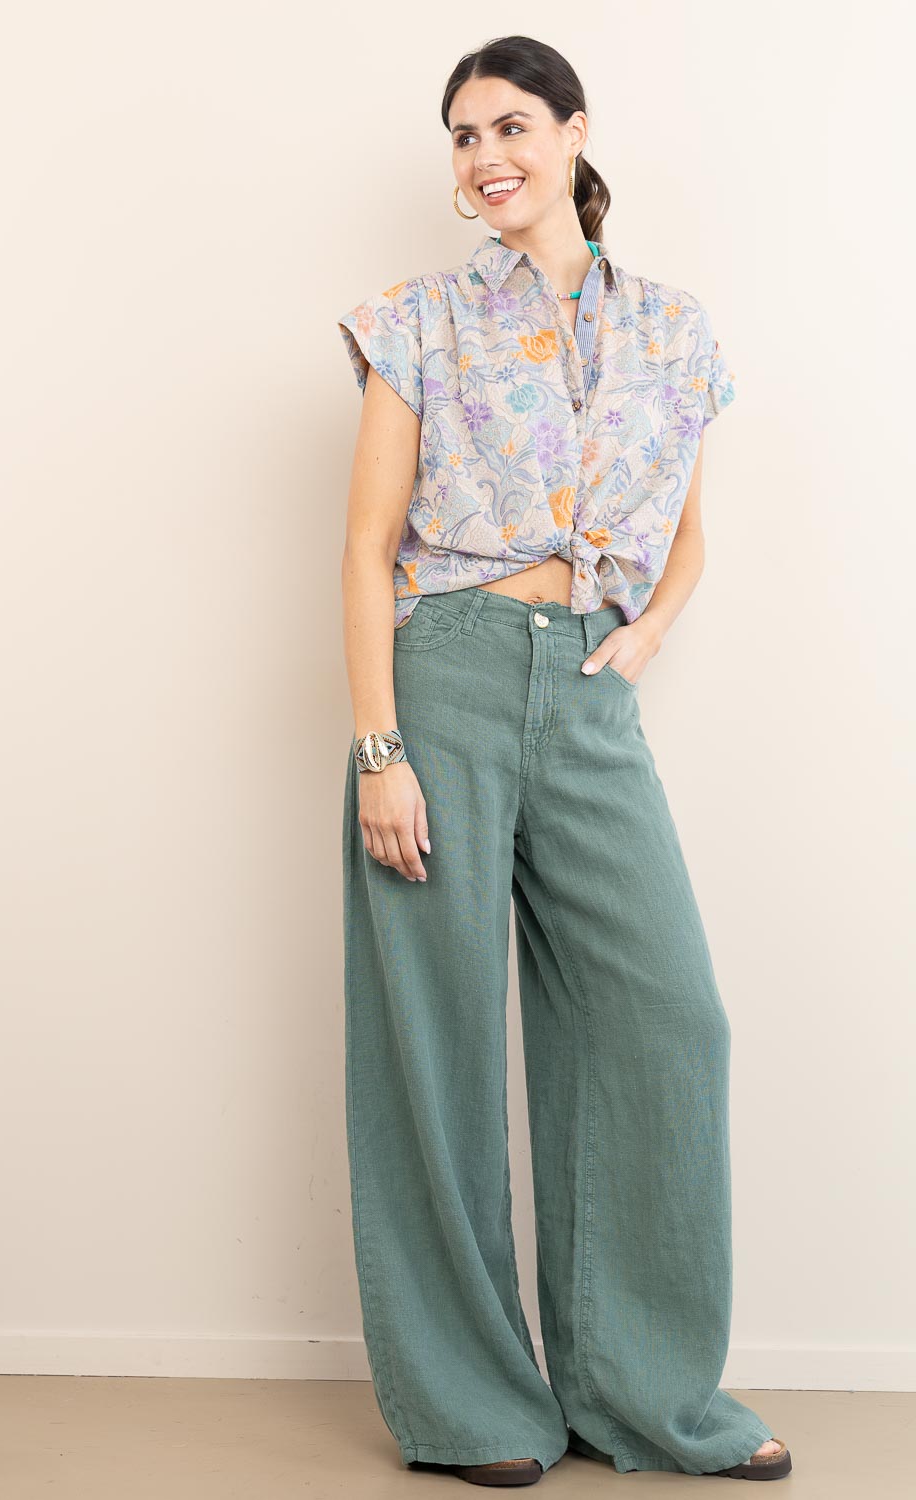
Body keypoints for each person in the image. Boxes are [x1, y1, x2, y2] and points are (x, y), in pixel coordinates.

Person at [335, 34, 792, 1489]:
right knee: (438, 1047)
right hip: (446, 679)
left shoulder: (673, 330)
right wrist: (380, 748)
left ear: (575, 133)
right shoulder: (417, 320)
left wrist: (641, 639)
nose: (487, 157)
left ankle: (639, 1393)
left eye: (512, 125)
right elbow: (365, 546)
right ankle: (473, 1409)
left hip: (590, 697)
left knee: (668, 1020)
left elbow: (687, 533)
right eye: (465, 136)